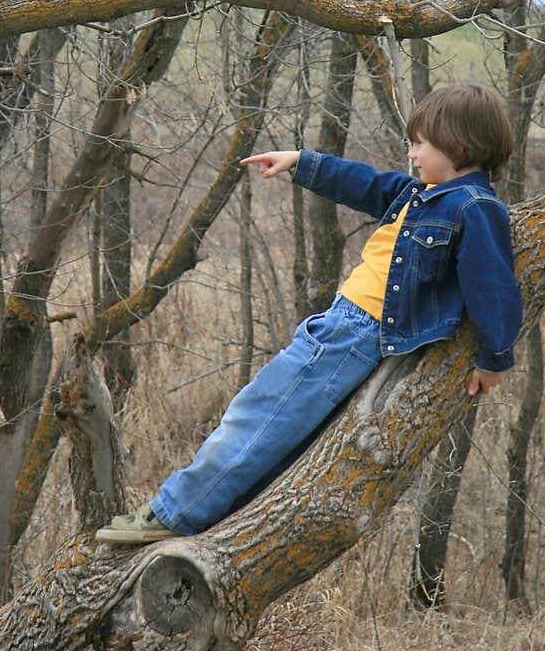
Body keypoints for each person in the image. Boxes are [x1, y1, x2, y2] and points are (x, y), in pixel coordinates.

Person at [96, 83, 522, 544]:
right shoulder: (424, 194)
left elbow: (493, 286)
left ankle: (174, 512)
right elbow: (364, 183)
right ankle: (211, 521)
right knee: (280, 431)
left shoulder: (473, 208)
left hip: (356, 332)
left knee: (258, 416)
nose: (412, 152)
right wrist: (301, 162)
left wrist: (492, 358)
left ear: (458, 147)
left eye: (420, 144)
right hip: (343, 326)